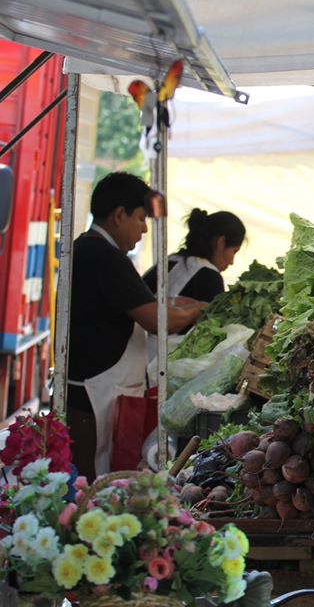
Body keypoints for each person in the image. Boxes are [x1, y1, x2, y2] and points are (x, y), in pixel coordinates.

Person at [66, 172, 205, 479]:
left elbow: (152, 304)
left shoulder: (87, 249)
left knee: (97, 477)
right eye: (141, 218)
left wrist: (190, 306)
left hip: (92, 386)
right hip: (93, 392)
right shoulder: (106, 257)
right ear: (119, 215)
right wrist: (198, 312)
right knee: (95, 480)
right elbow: (157, 319)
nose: (144, 229)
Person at [143, 208, 245, 303]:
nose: (231, 262)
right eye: (234, 251)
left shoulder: (169, 260)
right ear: (221, 242)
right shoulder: (210, 277)